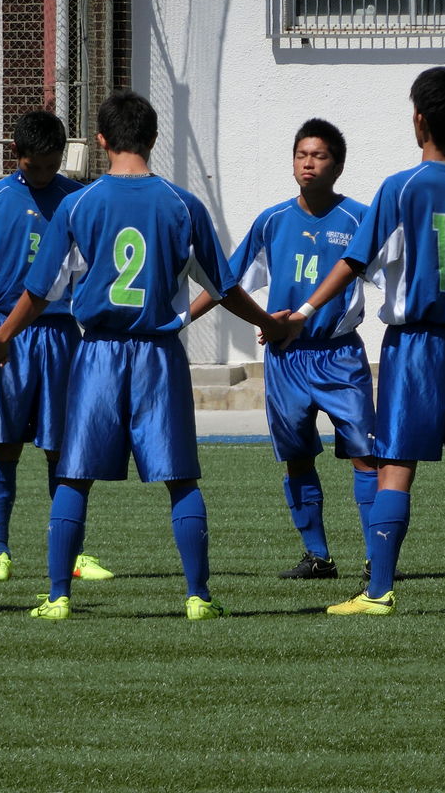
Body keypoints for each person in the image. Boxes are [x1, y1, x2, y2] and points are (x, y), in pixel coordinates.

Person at [0, 89, 288, 621]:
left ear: (101, 141)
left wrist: (4, 333)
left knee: (75, 474)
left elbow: (40, 290)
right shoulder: (181, 204)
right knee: (180, 478)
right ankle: (197, 596)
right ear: (151, 140)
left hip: (98, 353)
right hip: (157, 355)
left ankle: (57, 597)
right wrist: (267, 322)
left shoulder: (78, 203)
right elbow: (222, 287)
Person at [282, 66, 445, 616]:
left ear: (419, 119)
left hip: (416, 348)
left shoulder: (401, 187)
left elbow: (352, 261)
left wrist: (303, 311)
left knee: (396, 463)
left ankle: (379, 592)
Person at [189, 118, 379, 582]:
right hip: (286, 360)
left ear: (338, 165)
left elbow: (394, 281)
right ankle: (318, 556)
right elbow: (225, 282)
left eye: (319, 155)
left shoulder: (360, 218)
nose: (308, 163)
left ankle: (378, 555)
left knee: (366, 456)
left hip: (339, 355)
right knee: (297, 455)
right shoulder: (272, 221)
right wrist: (176, 322)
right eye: (301, 154)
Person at [0, 110, 112, 584]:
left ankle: (73, 554)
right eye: (37, 167)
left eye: (54, 166)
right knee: (3, 446)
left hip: (60, 335)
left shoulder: (79, 200)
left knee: (65, 450)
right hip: (5, 338)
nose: (45, 175)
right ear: (18, 155)